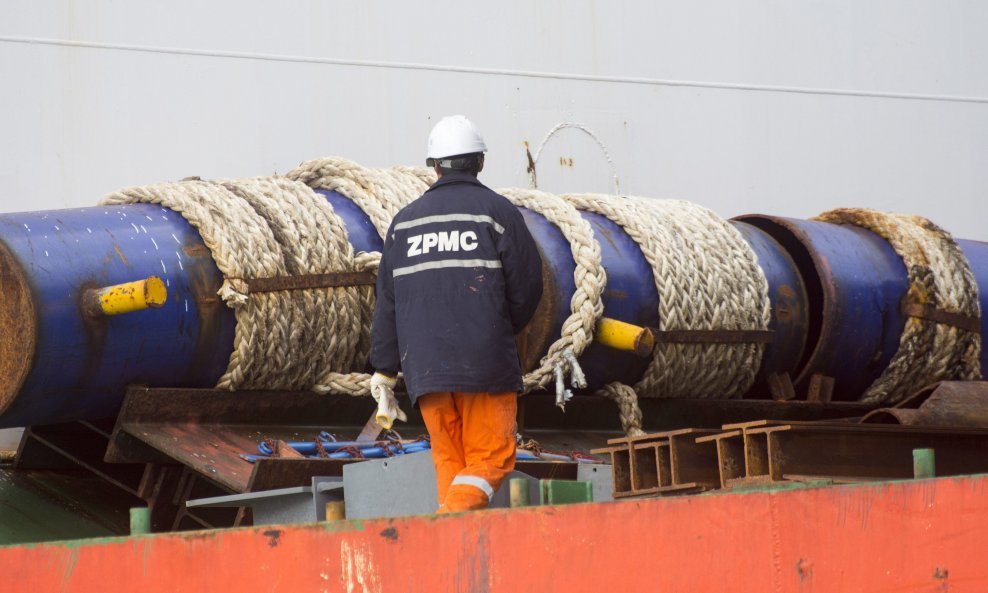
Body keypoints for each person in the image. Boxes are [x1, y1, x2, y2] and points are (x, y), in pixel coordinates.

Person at [369, 115, 544, 513]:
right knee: (491, 458)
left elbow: (388, 304)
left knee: (451, 462)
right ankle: (447, 523)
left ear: (435, 166)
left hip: (425, 371)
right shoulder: (497, 213)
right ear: (480, 162)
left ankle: (451, 549)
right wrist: (496, 332)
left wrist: (384, 369)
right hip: (484, 365)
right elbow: (529, 288)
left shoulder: (404, 225)